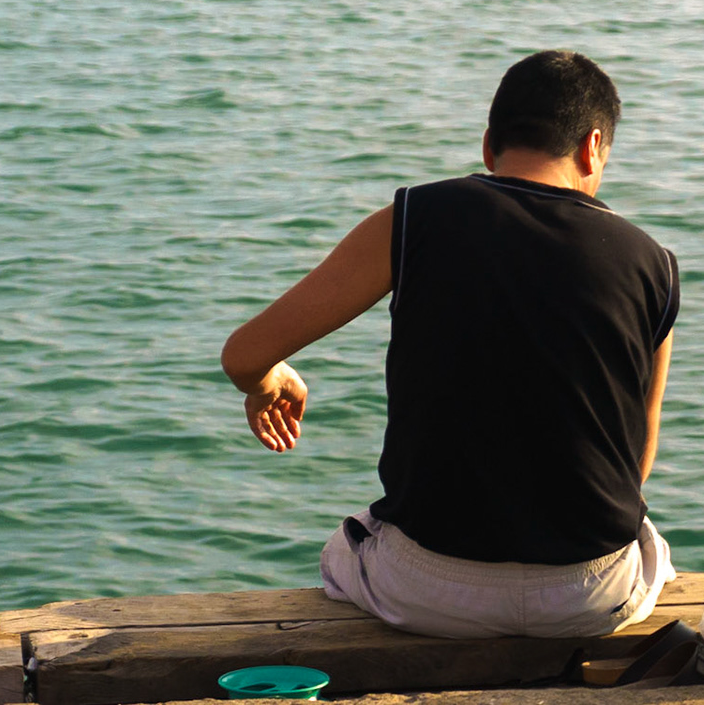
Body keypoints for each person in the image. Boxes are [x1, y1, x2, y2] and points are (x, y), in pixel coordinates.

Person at [220, 50, 679, 639]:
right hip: (587, 600)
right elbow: (633, 470)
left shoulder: (413, 219)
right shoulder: (655, 267)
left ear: (489, 145)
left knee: (347, 545)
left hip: (428, 593)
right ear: (593, 147)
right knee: (649, 547)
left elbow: (243, 356)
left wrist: (270, 380)